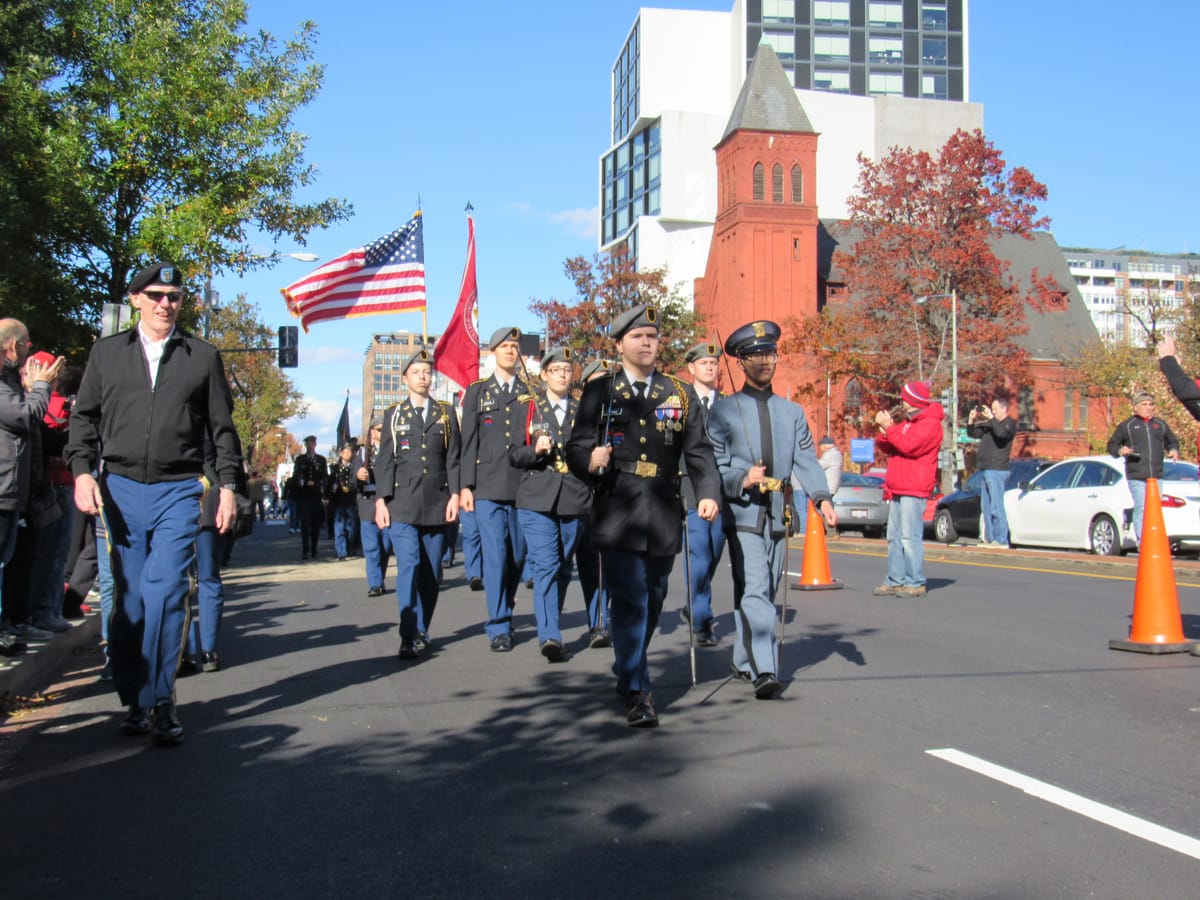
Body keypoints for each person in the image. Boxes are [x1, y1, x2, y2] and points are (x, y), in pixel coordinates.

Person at [66, 261, 242, 745]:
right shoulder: (107, 355)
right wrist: (82, 474)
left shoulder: (201, 356)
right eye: (157, 295)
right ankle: (135, 697)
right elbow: (82, 422)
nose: (167, 303)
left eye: (175, 296)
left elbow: (222, 429)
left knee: (166, 591)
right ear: (137, 299)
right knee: (132, 601)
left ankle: (161, 699)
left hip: (179, 488)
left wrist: (227, 486)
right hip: (119, 489)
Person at [566, 304, 721, 727]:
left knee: (653, 598)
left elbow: (700, 452)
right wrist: (590, 459)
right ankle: (639, 692)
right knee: (630, 600)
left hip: (662, 508)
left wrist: (708, 491)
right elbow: (574, 448)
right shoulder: (601, 392)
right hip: (617, 506)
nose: (647, 343)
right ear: (620, 345)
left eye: (652, 336)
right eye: (637, 337)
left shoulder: (678, 393)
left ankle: (627, 665)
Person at [707, 320, 837, 699]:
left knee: (758, 588)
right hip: (744, 511)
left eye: (770, 354)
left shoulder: (792, 412)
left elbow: (807, 459)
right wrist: (741, 478)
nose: (765, 362)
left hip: (780, 512)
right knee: (757, 588)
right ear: (741, 362)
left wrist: (822, 497)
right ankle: (766, 667)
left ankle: (742, 658)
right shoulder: (724, 411)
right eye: (756, 356)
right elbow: (716, 463)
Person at [374, 349, 460, 659]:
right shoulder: (394, 414)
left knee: (431, 573)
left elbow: (453, 458)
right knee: (408, 564)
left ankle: (423, 627)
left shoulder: (445, 413)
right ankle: (407, 632)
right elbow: (384, 461)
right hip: (403, 504)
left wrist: (455, 494)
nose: (423, 377)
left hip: (437, 502)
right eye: (417, 372)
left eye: (427, 371)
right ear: (405, 379)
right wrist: (381, 501)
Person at [510, 347, 591, 661]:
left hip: (575, 496)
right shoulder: (529, 408)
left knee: (562, 567)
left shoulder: (583, 411)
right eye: (555, 369)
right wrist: (536, 450)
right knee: (545, 564)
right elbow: (514, 455)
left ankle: (550, 621)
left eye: (566, 370)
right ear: (543, 375)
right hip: (537, 498)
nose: (561, 374)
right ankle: (550, 635)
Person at [459, 327, 532, 651]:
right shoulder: (477, 391)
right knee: (496, 556)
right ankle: (499, 625)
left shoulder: (531, 391)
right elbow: (468, 442)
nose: (510, 351)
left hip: (522, 485)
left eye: (515, 346)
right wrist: (465, 486)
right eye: (504, 346)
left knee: (517, 555)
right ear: (493, 353)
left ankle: (507, 607)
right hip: (487, 486)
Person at [0, 319, 63, 653]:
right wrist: (41, 387)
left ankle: (13, 624)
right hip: (4, 488)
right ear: (12, 346)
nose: (27, 353)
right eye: (25, 345)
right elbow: (25, 417)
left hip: (16, 489)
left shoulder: (9, 380)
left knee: (14, 561)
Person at [872, 381, 943, 597]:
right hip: (898, 486)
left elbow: (909, 446)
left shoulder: (930, 424)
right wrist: (885, 431)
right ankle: (895, 579)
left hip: (914, 487)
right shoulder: (907, 423)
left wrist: (891, 429)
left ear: (914, 401)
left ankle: (915, 581)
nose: (902, 401)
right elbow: (890, 445)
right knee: (894, 536)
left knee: (909, 537)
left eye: (905, 398)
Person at [679, 341, 727, 647]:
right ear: (691, 369)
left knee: (713, 552)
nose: (710, 367)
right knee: (698, 553)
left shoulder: (729, 405)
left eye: (713, 363)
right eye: (704, 363)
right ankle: (702, 620)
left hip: (722, 489)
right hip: (691, 488)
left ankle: (692, 605)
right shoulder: (680, 402)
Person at [1106, 390, 1179, 544]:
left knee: (1155, 509)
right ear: (1135, 407)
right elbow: (1112, 445)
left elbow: (1172, 441)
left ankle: (1154, 539)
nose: (1148, 407)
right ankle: (1142, 542)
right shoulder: (1128, 426)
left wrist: (1173, 450)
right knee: (1142, 506)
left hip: (1156, 475)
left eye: (1151, 404)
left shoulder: (1160, 425)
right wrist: (1121, 451)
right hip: (1137, 474)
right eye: (1144, 404)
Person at [573, 359, 612, 647]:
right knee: (588, 566)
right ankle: (596, 621)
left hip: (616, 501)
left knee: (609, 565)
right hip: (582, 499)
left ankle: (603, 622)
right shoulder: (579, 417)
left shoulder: (621, 413)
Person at [967, 396, 1016, 548]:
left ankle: (1001, 539)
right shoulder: (991, 425)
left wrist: (991, 419)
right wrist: (971, 420)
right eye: (991, 409)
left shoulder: (1009, 424)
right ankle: (990, 538)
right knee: (986, 507)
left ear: (1004, 409)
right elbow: (973, 433)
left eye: (995, 409)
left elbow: (1002, 434)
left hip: (997, 469)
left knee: (996, 506)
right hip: (985, 469)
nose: (993, 412)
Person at [356, 416, 392, 597]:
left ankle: (380, 578)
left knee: (385, 546)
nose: (382, 432)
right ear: (372, 432)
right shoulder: (362, 454)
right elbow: (350, 482)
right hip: (368, 505)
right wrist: (358, 475)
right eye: (378, 429)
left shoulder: (393, 450)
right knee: (372, 548)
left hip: (387, 504)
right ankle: (375, 583)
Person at [293, 435, 327, 559]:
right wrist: (299, 484)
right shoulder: (300, 459)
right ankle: (305, 550)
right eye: (308, 443)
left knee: (315, 524)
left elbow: (324, 477)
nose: (310, 445)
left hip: (316, 495)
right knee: (305, 524)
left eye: (312, 443)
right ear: (306, 445)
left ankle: (314, 549)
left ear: (315, 444)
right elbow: (296, 476)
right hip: (304, 496)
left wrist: (324, 494)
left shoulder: (321, 460)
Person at [326, 442, 359, 560]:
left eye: (350, 452)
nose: (348, 454)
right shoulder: (335, 468)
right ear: (341, 454)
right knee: (339, 527)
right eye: (345, 452)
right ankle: (341, 552)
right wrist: (328, 496)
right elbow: (330, 483)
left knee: (351, 527)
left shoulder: (355, 467)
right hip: (339, 501)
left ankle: (350, 547)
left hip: (351, 500)